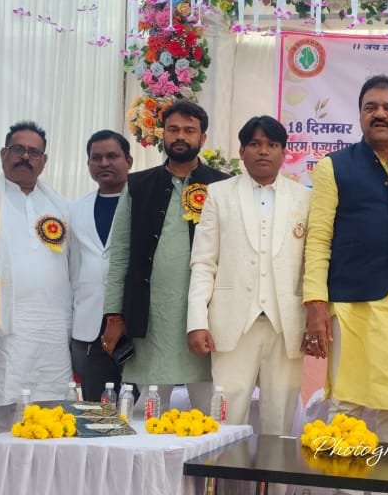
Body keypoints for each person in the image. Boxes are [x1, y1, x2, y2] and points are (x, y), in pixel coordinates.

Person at [302, 75, 388, 443]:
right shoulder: (333, 166)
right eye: (371, 107)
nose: (380, 114)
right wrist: (315, 303)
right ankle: (345, 475)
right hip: (349, 304)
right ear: (360, 114)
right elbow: (318, 239)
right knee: (347, 403)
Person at [102, 101, 231, 411]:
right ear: (163, 134)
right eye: (173, 129)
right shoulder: (138, 185)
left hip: (207, 320)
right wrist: (114, 315)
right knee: (148, 414)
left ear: (203, 137)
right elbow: (119, 255)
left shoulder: (224, 186)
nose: (180, 136)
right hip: (151, 321)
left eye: (189, 130)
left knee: (210, 416)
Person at [186, 116, 311, 434]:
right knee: (225, 420)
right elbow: (203, 262)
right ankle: (223, 470)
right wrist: (197, 321)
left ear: (284, 152)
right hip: (231, 324)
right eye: (254, 144)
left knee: (280, 424)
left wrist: (314, 318)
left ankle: (275, 471)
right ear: (241, 151)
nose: (263, 151)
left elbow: (313, 264)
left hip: (286, 324)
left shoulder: (304, 197)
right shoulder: (219, 194)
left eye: (272, 144)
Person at [0, 122, 73, 437]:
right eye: (18, 149)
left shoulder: (61, 206)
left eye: (34, 152)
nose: (25, 157)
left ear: (44, 160)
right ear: (3, 153)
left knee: (49, 414)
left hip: (50, 331)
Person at [69, 130, 134, 403]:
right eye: (96, 158)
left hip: (134, 328)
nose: (104, 163)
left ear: (129, 161)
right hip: (89, 327)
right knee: (95, 409)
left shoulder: (142, 203)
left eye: (112, 156)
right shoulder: (75, 209)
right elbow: (73, 268)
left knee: (138, 408)